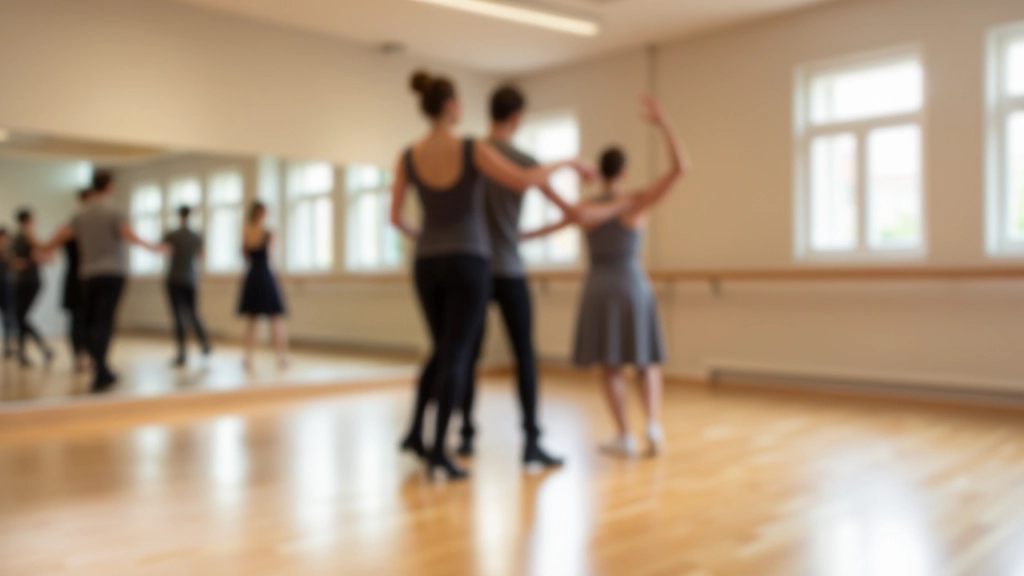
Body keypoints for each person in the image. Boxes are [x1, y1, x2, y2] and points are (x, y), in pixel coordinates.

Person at [391, 70, 591, 481]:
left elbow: (396, 217)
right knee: (485, 354)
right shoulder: (474, 151)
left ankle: (439, 433)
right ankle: (506, 442)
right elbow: (530, 185)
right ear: (452, 107)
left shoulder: (416, 154)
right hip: (479, 262)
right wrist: (569, 163)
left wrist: (427, 237)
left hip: (432, 261)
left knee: (448, 351)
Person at [530, 96, 691, 457]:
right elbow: (681, 168)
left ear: (600, 172)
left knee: (611, 363)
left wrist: (518, 237)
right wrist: (664, 122)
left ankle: (624, 434)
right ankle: (651, 424)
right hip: (633, 284)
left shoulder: (589, 207)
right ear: (625, 171)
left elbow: (554, 216)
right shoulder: (635, 203)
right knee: (645, 359)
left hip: (600, 286)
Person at [45, 170, 164, 393]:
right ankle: (101, 369)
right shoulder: (114, 211)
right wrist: (154, 248)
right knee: (104, 321)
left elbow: (61, 236)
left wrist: (42, 247)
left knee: (90, 321)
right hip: (112, 273)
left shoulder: (79, 213)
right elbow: (130, 235)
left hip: (87, 275)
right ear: (110, 186)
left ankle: (100, 367)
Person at [238, 201, 288, 370]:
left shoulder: (247, 231)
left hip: (253, 276)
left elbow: (244, 256)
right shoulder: (268, 232)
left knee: (253, 319)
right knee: (275, 318)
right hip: (265, 276)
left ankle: (249, 358)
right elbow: (272, 257)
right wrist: (276, 277)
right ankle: (282, 357)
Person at [164, 205, 211, 367]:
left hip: (175, 278)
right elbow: (202, 256)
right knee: (193, 313)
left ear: (179, 216)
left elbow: (164, 251)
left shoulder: (172, 235)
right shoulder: (196, 236)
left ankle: (182, 353)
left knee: (178, 316)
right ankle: (204, 344)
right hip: (190, 278)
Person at [11, 209, 55, 367]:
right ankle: (37, 350)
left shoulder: (17, 237)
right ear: (29, 219)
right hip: (28, 281)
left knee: (20, 317)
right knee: (21, 317)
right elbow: (43, 254)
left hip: (24, 281)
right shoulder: (28, 236)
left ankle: (38, 350)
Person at [63, 189, 92, 373]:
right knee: (78, 320)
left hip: (84, 278)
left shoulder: (74, 226)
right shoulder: (72, 226)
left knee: (84, 320)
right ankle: (80, 356)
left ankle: (86, 355)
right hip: (77, 279)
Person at [0, 228, 16, 359]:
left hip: (6, 286)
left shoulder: (9, 251)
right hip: (3, 285)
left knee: (8, 317)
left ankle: (8, 346)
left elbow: (13, 262)